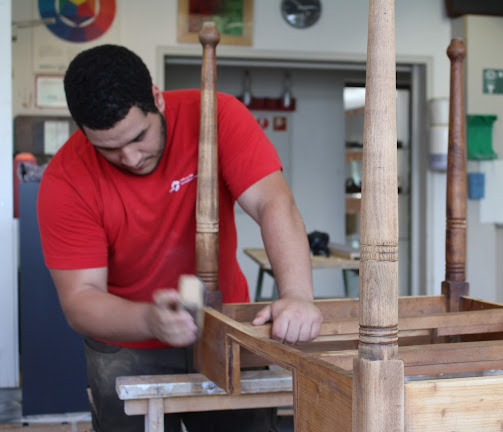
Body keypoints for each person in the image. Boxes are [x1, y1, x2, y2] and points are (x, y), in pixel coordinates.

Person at [37, 44, 322, 432]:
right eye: (109, 148)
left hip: (226, 325)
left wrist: (298, 294)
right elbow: (80, 299)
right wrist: (148, 320)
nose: (131, 158)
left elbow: (273, 204)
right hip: (127, 340)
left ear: (157, 98)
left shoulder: (216, 115)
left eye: (139, 137)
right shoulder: (65, 180)